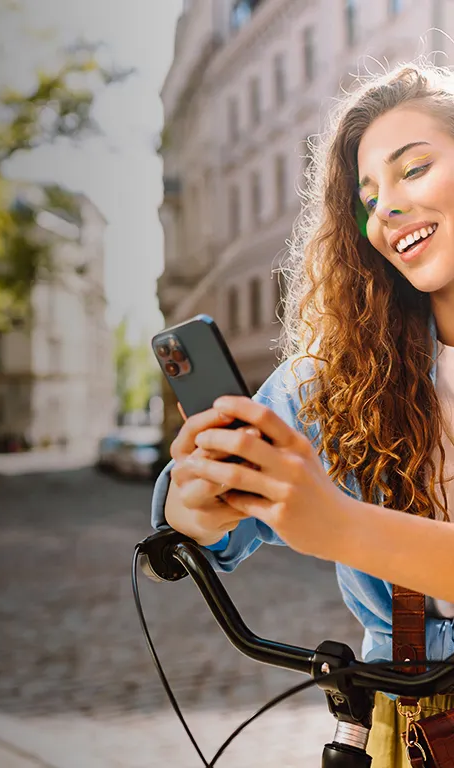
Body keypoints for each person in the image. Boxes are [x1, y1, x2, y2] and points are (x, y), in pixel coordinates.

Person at [151, 60, 454, 767]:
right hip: (406, 730)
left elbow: (327, 521)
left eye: (414, 170)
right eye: (368, 197)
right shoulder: (335, 379)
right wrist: (199, 501)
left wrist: (338, 525)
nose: (388, 209)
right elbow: (192, 529)